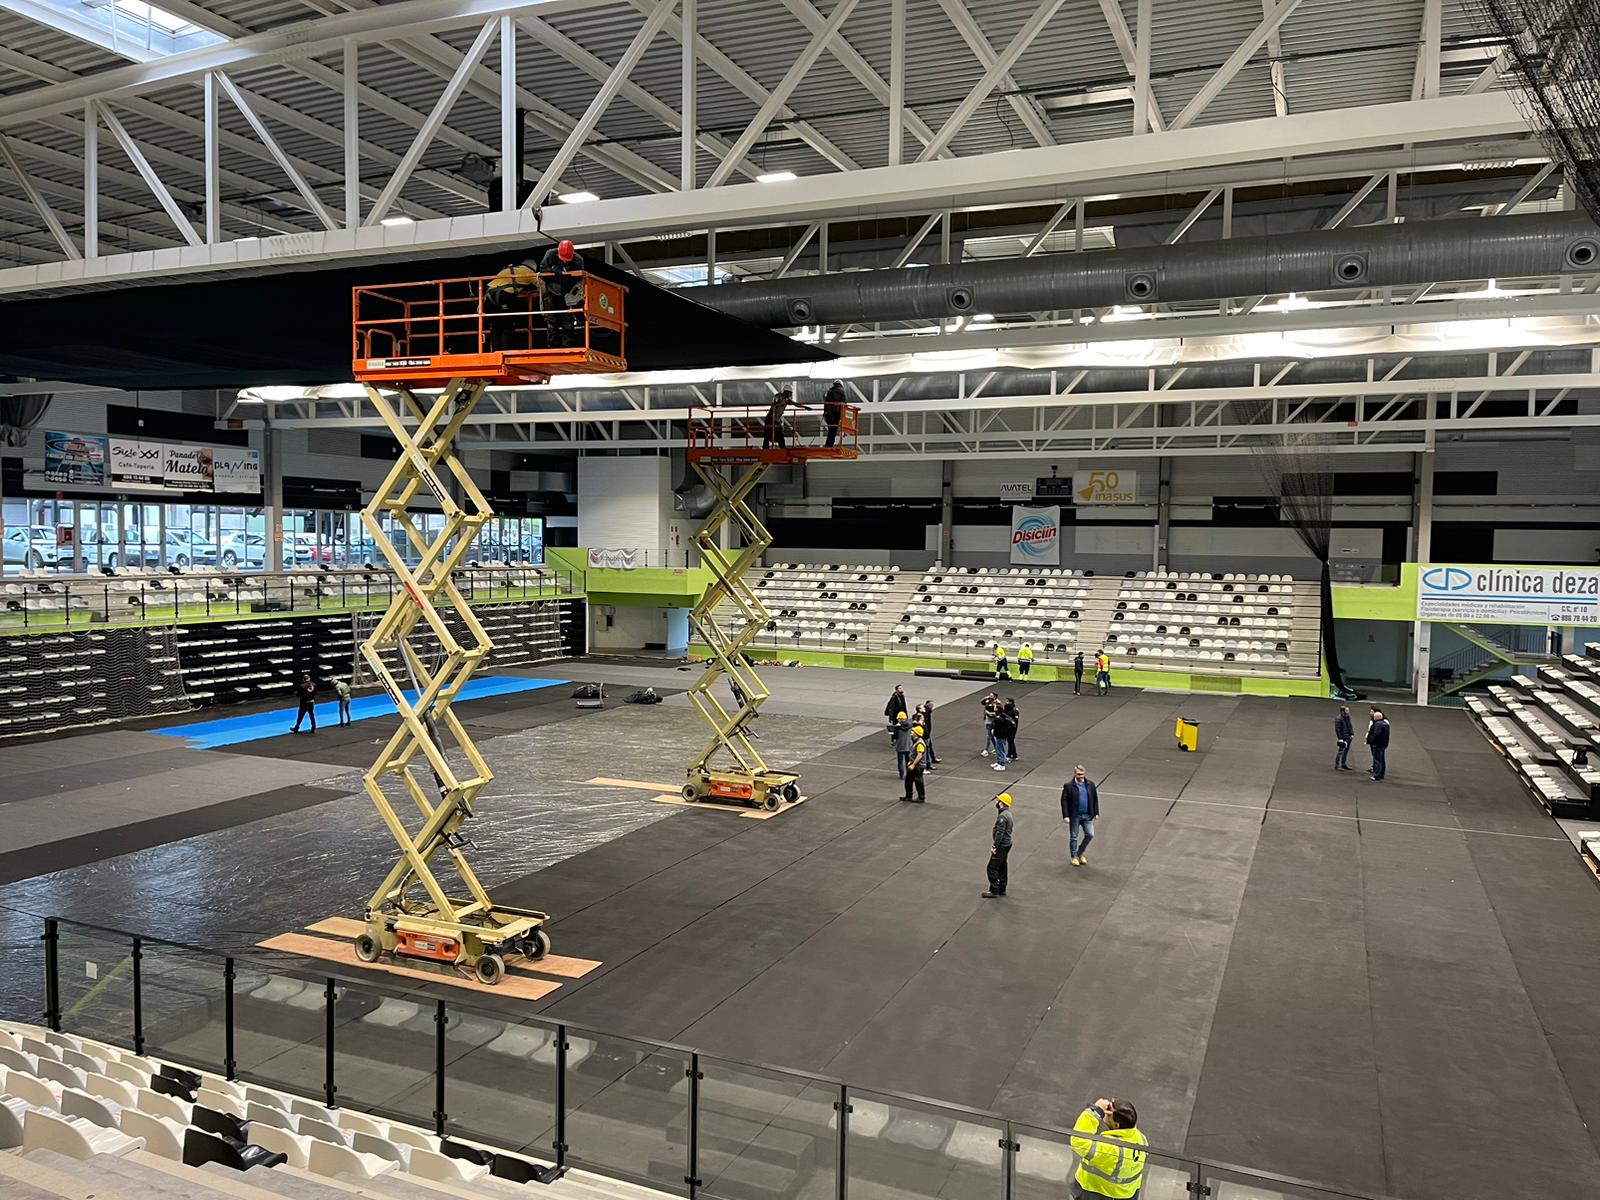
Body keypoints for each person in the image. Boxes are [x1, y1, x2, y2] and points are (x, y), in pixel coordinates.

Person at [1069, 1098, 1148, 1199]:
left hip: (1096, 1193)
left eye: (1110, 1111)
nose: (1106, 1111)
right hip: (1127, 1194)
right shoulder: (1141, 1138)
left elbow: (1078, 1141)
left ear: (1116, 1125)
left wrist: (1095, 1111)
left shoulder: (1112, 1149)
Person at [539, 239, 587, 347]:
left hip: (569, 294)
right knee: (552, 322)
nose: (565, 261)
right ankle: (552, 346)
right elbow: (542, 270)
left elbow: (580, 278)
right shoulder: (550, 255)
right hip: (552, 293)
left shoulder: (578, 260)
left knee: (568, 323)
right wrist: (552, 270)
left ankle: (567, 346)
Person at [1060, 764, 1099, 866]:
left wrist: (1096, 812)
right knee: (1074, 836)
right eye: (1078, 774)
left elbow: (1095, 798)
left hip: (1087, 815)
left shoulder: (1090, 784)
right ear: (1075, 774)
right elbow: (1064, 801)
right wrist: (1066, 816)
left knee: (1090, 834)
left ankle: (1079, 852)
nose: (1080, 776)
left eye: (1082, 774)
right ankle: (1074, 857)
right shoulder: (1068, 786)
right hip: (1075, 816)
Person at [982, 792, 1013, 898]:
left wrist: (995, 846)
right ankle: (1002, 888)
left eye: (998, 800)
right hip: (1007, 843)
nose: (996, 802)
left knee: (992, 867)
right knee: (1002, 865)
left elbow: (1000, 833)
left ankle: (994, 889)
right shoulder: (1008, 814)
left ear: (1001, 803)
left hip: (1002, 845)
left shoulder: (1002, 816)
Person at [903, 724, 927, 803]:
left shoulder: (920, 744)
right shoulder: (915, 741)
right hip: (914, 763)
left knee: (918, 781)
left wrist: (913, 765)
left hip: (918, 766)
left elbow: (919, 755)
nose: (911, 733)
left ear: (916, 734)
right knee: (908, 780)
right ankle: (908, 795)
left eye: (913, 732)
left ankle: (921, 797)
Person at [1366, 707, 1391, 781]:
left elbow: (1376, 735)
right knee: (1382, 760)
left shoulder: (1378, 725)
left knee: (1377, 760)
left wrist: (1371, 741)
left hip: (1377, 744)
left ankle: (1377, 775)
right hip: (1383, 744)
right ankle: (1381, 774)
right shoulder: (1385, 724)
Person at [990, 701, 1015, 772]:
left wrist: (994, 731)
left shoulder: (999, 718)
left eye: (995, 707)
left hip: (1001, 736)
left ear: (997, 709)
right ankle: (998, 762)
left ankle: (1002, 764)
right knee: (998, 749)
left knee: (1001, 750)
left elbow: (999, 727)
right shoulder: (1002, 716)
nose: (994, 708)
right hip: (1000, 735)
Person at [823, 381, 846, 448]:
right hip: (836, 413)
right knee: (833, 430)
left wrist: (825, 413)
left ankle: (828, 445)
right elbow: (844, 403)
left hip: (828, 414)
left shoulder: (829, 391)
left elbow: (825, 403)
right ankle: (829, 446)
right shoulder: (841, 391)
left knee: (831, 429)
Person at [892, 710, 913, 779]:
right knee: (908, 760)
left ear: (900, 719)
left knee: (900, 761)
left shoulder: (897, 727)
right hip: (908, 745)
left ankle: (902, 774)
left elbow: (895, 736)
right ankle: (909, 773)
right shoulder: (910, 725)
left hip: (900, 746)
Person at [1334, 704, 1353, 771]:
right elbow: (1338, 729)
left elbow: (1349, 726)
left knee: (1345, 751)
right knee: (1341, 751)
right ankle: (1337, 765)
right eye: (1347, 710)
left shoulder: (1347, 717)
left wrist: (1351, 734)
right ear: (1343, 711)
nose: (1348, 711)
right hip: (1344, 738)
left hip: (1348, 737)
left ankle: (1343, 764)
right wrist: (1340, 738)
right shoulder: (1339, 719)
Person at [981, 692, 1000, 757]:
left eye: (991, 696)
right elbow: (982, 702)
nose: (990, 697)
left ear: (995, 696)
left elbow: (996, 713)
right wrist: (985, 697)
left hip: (992, 720)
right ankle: (996, 748)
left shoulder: (997, 703)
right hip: (987, 719)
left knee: (989, 735)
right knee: (991, 735)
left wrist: (988, 713)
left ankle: (986, 749)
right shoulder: (988, 701)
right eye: (989, 695)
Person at [922, 699, 940, 768]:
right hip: (925, 733)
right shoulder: (926, 712)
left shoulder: (927, 711)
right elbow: (926, 723)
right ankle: (930, 761)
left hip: (926, 732)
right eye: (931, 705)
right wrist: (927, 732)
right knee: (927, 747)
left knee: (929, 746)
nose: (932, 706)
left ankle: (932, 759)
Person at [1002, 697, 1020, 762]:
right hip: (1007, 727)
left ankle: (1009, 755)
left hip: (1012, 728)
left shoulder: (1014, 710)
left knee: (1010, 741)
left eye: (1007, 701)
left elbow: (1014, 720)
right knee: (1010, 741)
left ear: (1010, 702)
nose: (1005, 702)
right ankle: (1014, 755)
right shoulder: (1006, 708)